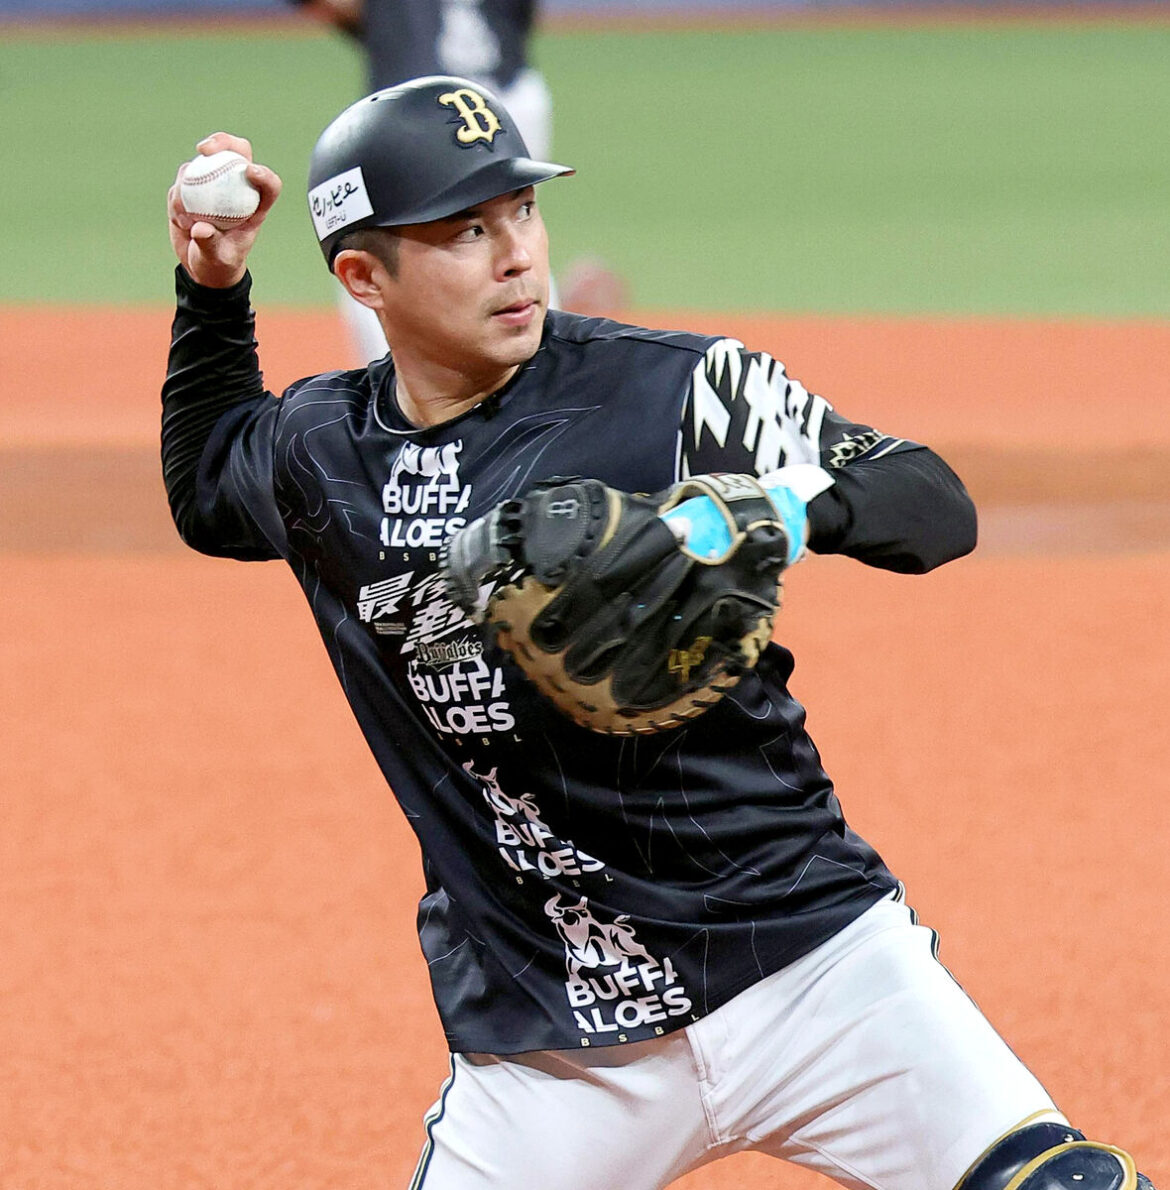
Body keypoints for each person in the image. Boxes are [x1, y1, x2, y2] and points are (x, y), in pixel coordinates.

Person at [162, 77, 1154, 1190]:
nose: (516, 256)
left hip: (807, 962)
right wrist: (212, 284)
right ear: (363, 276)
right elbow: (210, 486)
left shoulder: (677, 391)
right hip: (547, 1037)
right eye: (463, 231)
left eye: (522, 212)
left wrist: (771, 510)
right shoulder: (323, 449)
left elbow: (930, 502)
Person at [285, 0, 626, 360]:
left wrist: (383, 25)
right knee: (510, 221)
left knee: (383, 243)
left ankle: (401, 379)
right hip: (507, 96)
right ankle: (542, 354)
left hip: (411, 110)